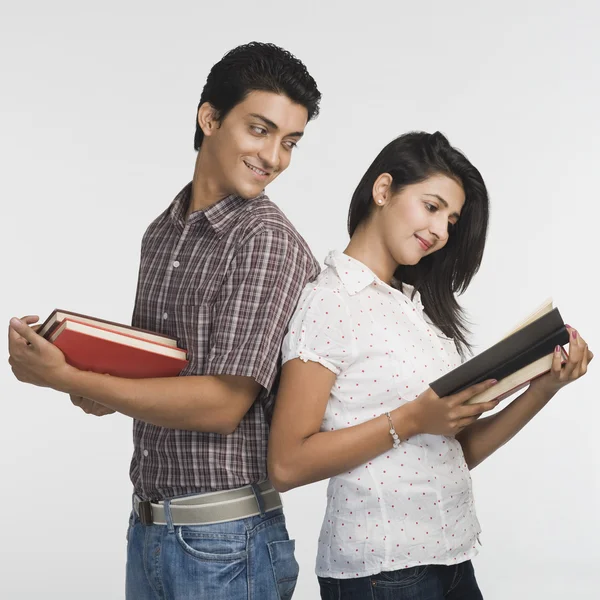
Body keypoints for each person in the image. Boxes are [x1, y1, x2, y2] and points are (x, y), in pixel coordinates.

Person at [8, 42, 321, 600]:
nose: (274, 157)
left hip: (226, 542)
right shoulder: (163, 233)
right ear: (210, 118)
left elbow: (224, 405)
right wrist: (79, 371)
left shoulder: (265, 241)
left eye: (289, 142)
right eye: (260, 130)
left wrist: (66, 378)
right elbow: (145, 383)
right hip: (149, 530)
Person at [267, 131, 593, 599]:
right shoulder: (330, 302)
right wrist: (412, 418)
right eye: (432, 206)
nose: (441, 231)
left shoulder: (413, 310)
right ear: (383, 191)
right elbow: (286, 463)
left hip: (452, 555)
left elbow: (455, 455)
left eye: (452, 220)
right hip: (381, 573)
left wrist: (542, 387)